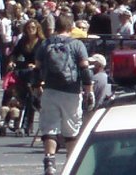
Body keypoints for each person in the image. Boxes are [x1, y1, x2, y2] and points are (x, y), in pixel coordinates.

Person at [35, 12, 94, 175]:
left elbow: (36, 69)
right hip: (71, 92)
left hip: (50, 90)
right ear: (70, 27)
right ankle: (71, 161)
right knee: (71, 130)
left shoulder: (46, 44)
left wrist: (36, 89)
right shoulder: (77, 45)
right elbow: (85, 70)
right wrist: (89, 92)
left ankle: (49, 161)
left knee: (49, 127)